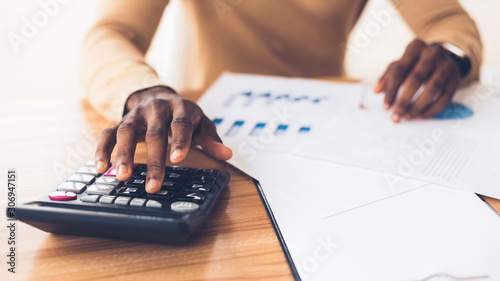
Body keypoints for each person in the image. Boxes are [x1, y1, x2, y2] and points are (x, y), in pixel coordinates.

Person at [81, 0, 482, 194]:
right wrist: (143, 90)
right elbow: (110, 32)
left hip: (328, 138)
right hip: (204, 136)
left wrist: (450, 54)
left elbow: (447, 21)